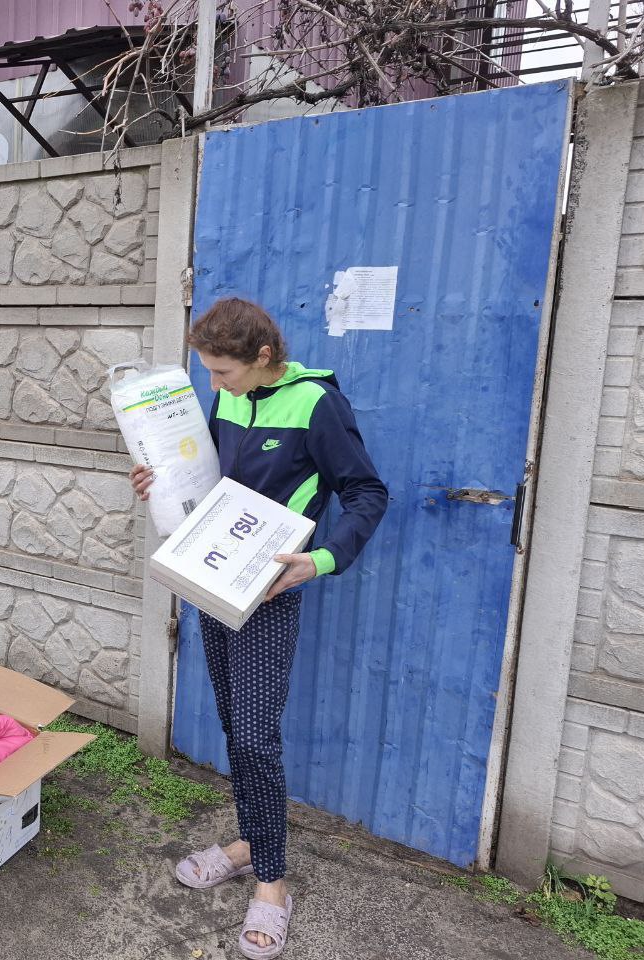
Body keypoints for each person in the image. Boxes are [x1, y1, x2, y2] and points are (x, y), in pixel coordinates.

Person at [130, 298, 387, 960]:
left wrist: (321, 560)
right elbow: (208, 479)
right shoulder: (226, 398)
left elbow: (366, 492)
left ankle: (271, 883)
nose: (213, 385)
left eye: (222, 372)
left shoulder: (314, 404)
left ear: (263, 357)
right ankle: (249, 842)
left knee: (253, 738)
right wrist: (156, 482)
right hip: (212, 581)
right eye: (207, 372)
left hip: (268, 592)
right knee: (232, 726)